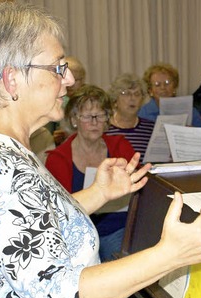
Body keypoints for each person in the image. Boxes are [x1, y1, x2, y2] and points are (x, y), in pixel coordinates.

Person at [0, 3, 201, 298]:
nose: (68, 79)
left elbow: (33, 224)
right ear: (12, 79)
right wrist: (170, 255)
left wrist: (99, 193)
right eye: (58, 68)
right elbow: (63, 294)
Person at [45, 84, 135, 262]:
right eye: (87, 116)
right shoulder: (58, 159)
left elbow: (139, 190)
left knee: (120, 253)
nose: (94, 122)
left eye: (100, 115)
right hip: (79, 232)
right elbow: (60, 210)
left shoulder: (120, 146)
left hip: (118, 227)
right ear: (74, 120)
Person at [105, 73, 156, 164]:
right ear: (115, 100)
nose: (132, 98)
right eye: (126, 94)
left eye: (137, 94)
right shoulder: (104, 128)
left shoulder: (152, 128)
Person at [139, 63, 201, 127]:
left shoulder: (191, 112)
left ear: (174, 87)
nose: (163, 87)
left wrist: (193, 132)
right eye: (157, 84)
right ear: (150, 90)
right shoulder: (142, 113)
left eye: (167, 83)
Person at [53, 55, 87, 146]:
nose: (70, 84)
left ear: (83, 80)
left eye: (75, 80)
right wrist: (54, 137)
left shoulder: (90, 100)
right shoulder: (54, 100)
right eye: (65, 78)